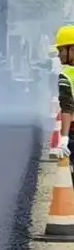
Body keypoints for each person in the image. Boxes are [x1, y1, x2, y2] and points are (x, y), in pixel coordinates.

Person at [55, 24, 74, 170]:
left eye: (61, 50)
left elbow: (66, 109)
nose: (58, 55)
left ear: (72, 49)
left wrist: (64, 138)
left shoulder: (66, 75)